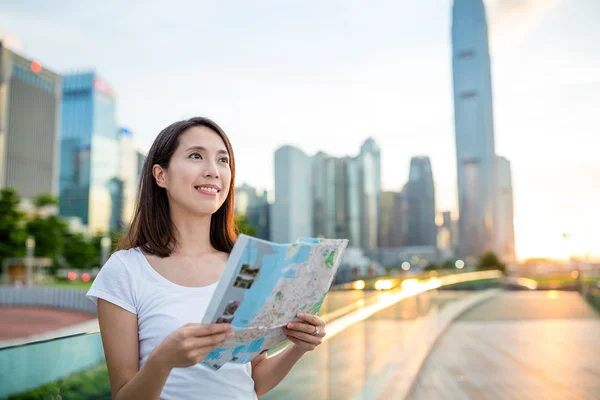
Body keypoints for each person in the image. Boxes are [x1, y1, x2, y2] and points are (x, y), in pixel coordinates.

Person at [87, 117, 326, 399]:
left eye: (223, 160)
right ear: (160, 175)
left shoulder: (247, 266)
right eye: (196, 156)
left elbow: (252, 381)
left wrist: (299, 346)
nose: (213, 171)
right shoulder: (125, 270)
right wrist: (163, 360)